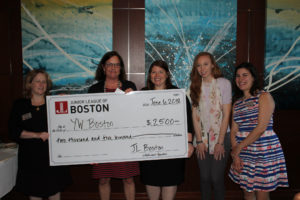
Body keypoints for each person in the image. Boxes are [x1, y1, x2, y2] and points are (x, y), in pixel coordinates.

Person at [8, 69, 72, 200]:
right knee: (34, 193)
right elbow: (14, 132)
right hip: (31, 160)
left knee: (55, 193)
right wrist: (36, 135)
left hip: (53, 158)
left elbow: (70, 125)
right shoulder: (20, 105)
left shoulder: (54, 102)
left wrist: (67, 100)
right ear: (30, 84)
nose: (41, 84)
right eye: (37, 81)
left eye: (44, 82)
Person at [229, 62, 289, 200]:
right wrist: (235, 154)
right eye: (237, 76)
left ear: (253, 78)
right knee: (247, 192)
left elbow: (261, 128)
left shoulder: (264, 97)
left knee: (262, 193)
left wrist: (238, 148)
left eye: (245, 75)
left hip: (263, 149)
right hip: (243, 151)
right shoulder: (237, 102)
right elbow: (233, 131)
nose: (240, 79)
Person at [139, 60, 194, 200]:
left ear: (167, 74)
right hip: (149, 149)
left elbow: (187, 120)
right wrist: (125, 96)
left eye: (160, 72)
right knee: (151, 181)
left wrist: (188, 142)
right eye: (153, 72)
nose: (157, 75)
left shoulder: (178, 94)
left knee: (170, 182)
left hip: (172, 150)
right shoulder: (141, 94)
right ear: (149, 75)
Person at [88, 51, 139, 200]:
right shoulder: (94, 89)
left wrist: (133, 98)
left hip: (125, 139)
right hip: (102, 140)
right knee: (104, 179)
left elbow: (137, 114)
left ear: (121, 68)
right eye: (109, 64)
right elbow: (87, 118)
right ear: (103, 67)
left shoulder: (129, 86)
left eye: (116, 64)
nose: (113, 67)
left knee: (128, 178)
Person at [188, 52, 232, 200]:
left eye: (205, 64)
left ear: (213, 64)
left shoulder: (224, 83)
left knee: (215, 178)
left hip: (221, 136)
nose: (202, 68)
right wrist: (199, 141)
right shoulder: (194, 85)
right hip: (202, 138)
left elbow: (226, 115)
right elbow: (195, 115)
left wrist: (220, 143)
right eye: (198, 65)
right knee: (205, 177)